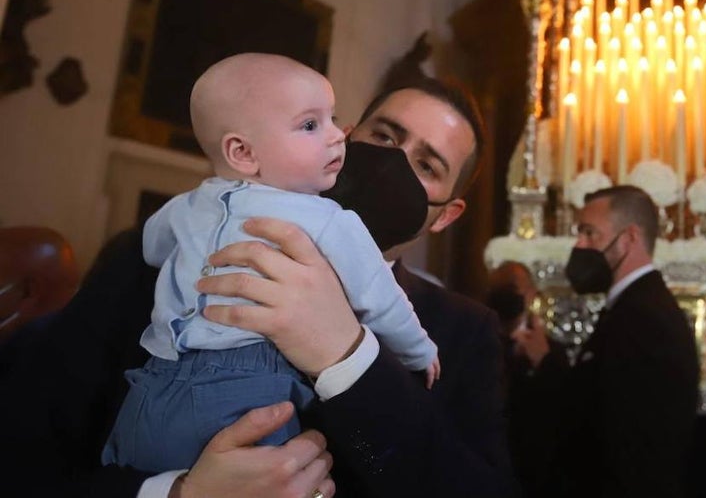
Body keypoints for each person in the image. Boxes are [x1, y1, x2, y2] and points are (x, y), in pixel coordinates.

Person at [1, 72, 517, 498]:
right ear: (345, 137)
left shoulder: (464, 334)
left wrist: (347, 355)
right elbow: (23, 453)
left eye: (427, 165)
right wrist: (177, 493)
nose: (393, 162)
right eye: (383, 136)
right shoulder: (153, 257)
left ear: (446, 215)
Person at [101, 54, 439, 473]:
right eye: (311, 125)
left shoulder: (188, 205)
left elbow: (154, 246)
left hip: (155, 384)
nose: (338, 137)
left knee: (130, 465)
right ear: (242, 151)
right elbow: (381, 298)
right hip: (248, 390)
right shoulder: (328, 219)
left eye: (333, 119)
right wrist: (419, 349)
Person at [553, 185, 700, 498]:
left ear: (630, 238)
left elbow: (627, 440)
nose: (579, 245)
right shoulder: (636, 306)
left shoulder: (644, 318)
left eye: (590, 233)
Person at [485, 261, 569, 497]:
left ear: (531, 293)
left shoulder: (551, 352)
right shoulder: (477, 340)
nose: (508, 296)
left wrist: (541, 361)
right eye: (500, 288)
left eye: (514, 288)